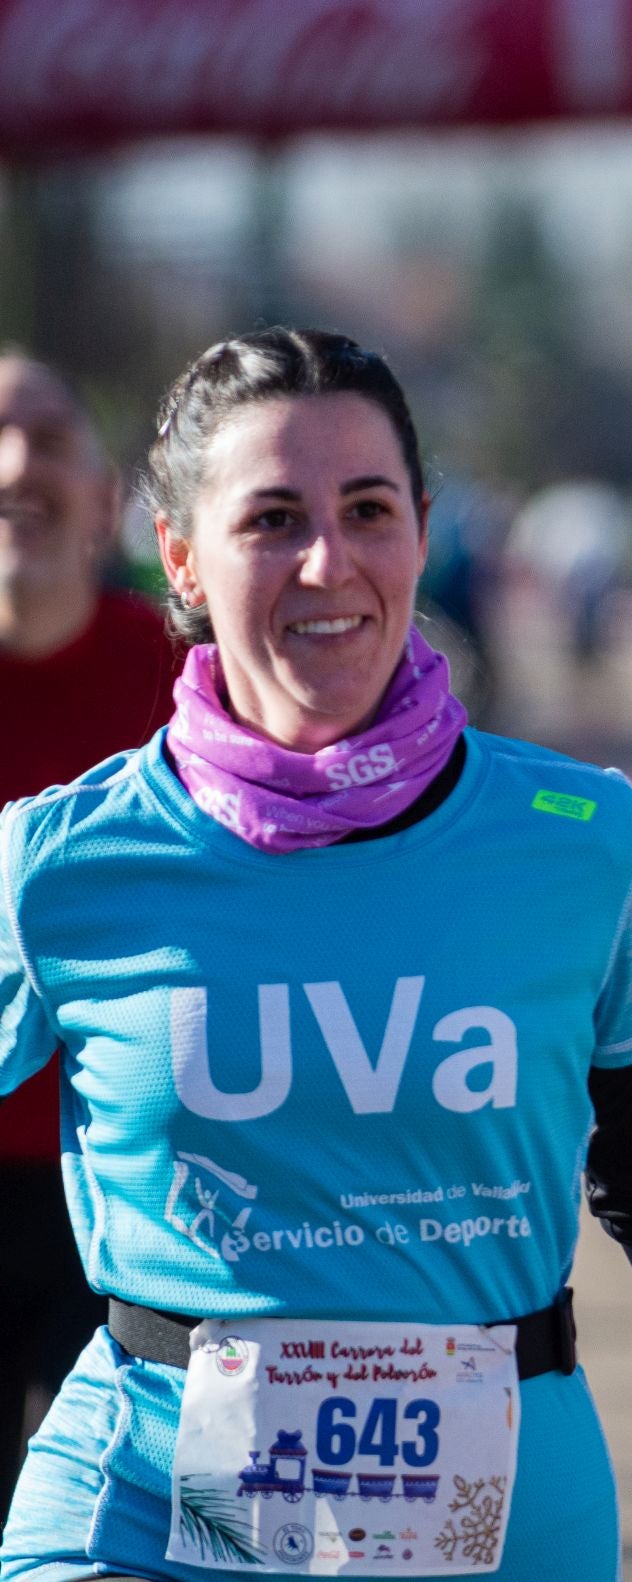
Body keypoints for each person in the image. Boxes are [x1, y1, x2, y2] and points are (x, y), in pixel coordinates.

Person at [0, 328, 632, 1582]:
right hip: (141, 1513)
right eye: (270, 519)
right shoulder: (58, 859)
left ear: (421, 528)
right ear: (183, 560)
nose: (329, 561)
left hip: (503, 1513)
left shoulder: (580, 846)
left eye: (369, 509)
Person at [0, 352, 179, 1524]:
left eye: (50, 435)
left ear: (105, 493)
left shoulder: (190, 684)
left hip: (138, 1197)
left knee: (126, 1537)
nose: (18, 461)